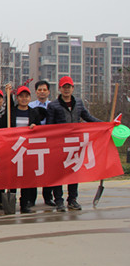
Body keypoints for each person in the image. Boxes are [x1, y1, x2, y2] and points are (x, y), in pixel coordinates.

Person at [47, 76, 101, 212]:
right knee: (58, 174)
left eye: (69, 87)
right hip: (59, 145)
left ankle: (72, 200)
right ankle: (59, 201)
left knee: (73, 173)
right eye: (64, 87)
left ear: (72, 88)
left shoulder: (79, 103)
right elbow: (49, 126)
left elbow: (88, 117)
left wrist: (105, 124)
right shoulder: (53, 105)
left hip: (75, 144)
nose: (66, 89)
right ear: (60, 89)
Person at [7, 86, 43, 213]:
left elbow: (40, 130)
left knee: (26, 178)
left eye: (26, 96)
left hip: (28, 150)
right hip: (13, 149)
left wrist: (35, 127)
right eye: (21, 96)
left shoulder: (33, 113)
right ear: (17, 98)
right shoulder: (11, 112)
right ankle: (11, 202)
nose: (24, 99)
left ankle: (25, 203)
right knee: (12, 177)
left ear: (30, 98)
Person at [28, 80, 55, 206]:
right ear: (36, 92)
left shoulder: (53, 106)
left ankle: (48, 197)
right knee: (32, 172)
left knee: (49, 172)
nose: (42, 92)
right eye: (40, 90)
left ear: (48, 91)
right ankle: (31, 199)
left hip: (49, 143)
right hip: (33, 143)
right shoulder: (30, 106)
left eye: (44, 90)